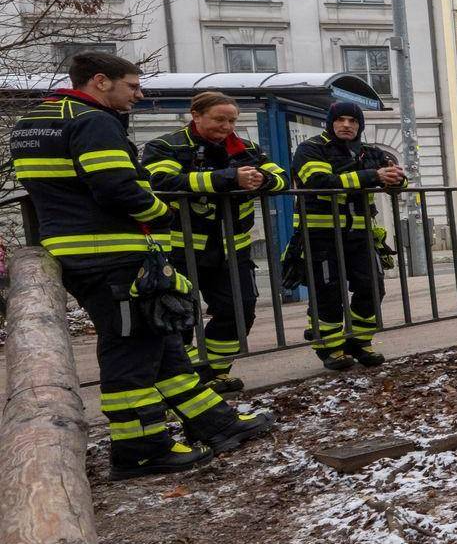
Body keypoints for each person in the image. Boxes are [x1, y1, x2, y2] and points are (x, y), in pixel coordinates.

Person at [9, 52, 274, 478]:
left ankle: (216, 423)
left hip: (80, 248)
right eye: (132, 86)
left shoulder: (35, 121)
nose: (139, 94)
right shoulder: (93, 120)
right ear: (100, 81)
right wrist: (161, 213)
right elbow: (117, 187)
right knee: (130, 348)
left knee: (162, 341)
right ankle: (141, 448)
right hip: (112, 252)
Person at [141, 93, 288, 393]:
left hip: (233, 249)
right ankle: (181, 380)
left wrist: (261, 180)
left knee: (241, 309)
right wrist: (226, 178)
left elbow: (283, 178)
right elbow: (160, 183)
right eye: (219, 119)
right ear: (196, 115)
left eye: (232, 120)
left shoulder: (245, 148)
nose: (227, 126)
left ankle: (212, 372)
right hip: (180, 250)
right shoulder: (167, 146)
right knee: (180, 315)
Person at [291, 101, 407, 371]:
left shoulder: (370, 152)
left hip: (359, 233)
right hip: (320, 235)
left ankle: (359, 342)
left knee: (372, 287)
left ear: (360, 125)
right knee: (327, 292)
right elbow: (319, 182)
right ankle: (330, 348)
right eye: (341, 120)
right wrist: (371, 176)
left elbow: (398, 181)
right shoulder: (311, 148)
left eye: (353, 121)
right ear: (330, 123)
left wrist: (395, 179)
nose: (347, 125)